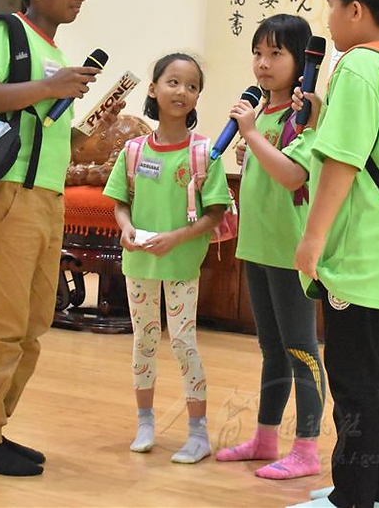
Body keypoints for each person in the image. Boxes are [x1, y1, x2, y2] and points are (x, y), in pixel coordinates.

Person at [0, 0, 123, 476]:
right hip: (9, 194)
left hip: (47, 198)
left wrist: (88, 137)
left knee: (32, 324)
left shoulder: (51, 52)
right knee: (4, 323)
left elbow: (44, 127)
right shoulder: (7, 32)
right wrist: (47, 86)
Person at [289, 0, 379, 508]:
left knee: (353, 385)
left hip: (356, 255)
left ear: (357, 9)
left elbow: (342, 162)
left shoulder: (359, 66)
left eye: (332, 5)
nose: (328, 18)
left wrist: (312, 239)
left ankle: (352, 498)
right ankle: (375, 493)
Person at [104, 53, 231, 464]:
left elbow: (216, 212)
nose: (182, 92)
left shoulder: (203, 153)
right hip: (139, 262)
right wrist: (125, 227)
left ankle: (198, 433)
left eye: (192, 86)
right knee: (143, 340)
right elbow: (121, 204)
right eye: (173, 82)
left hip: (180, 264)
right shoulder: (133, 151)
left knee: (182, 341)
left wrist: (177, 238)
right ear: (153, 88)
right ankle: (145, 422)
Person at [214, 14, 325, 481]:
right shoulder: (261, 114)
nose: (263, 64)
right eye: (258, 53)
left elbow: (294, 175)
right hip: (258, 246)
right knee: (271, 350)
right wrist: (251, 140)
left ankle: (308, 449)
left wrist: (253, 136)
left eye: (276, 54)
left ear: (300, 62)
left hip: (290, 250)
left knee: (302, 349)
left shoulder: (307, 115)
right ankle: (264, 437)